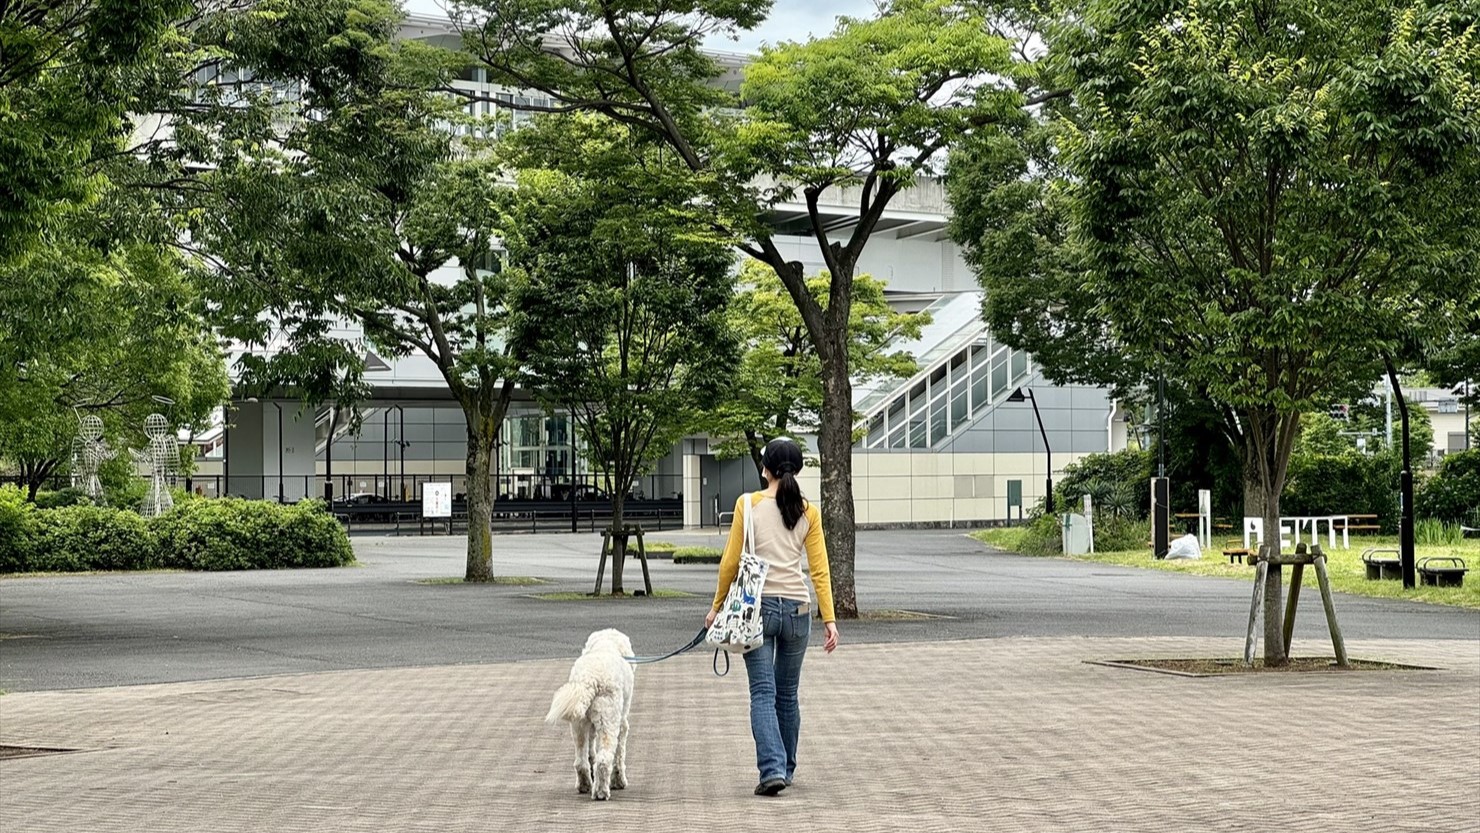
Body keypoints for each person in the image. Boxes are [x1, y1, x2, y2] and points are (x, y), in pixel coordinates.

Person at [704, 437, 839, 797]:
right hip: (798, 609)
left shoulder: (746, 505)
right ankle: (786, 768)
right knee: (787, 694)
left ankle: (772, 770)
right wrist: (830, 619)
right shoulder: (808, 511)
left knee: (763, 693)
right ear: (796, 469)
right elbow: (820, 570)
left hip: (757, 609)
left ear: (765, 468)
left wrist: (717, 607)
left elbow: (730, 563)